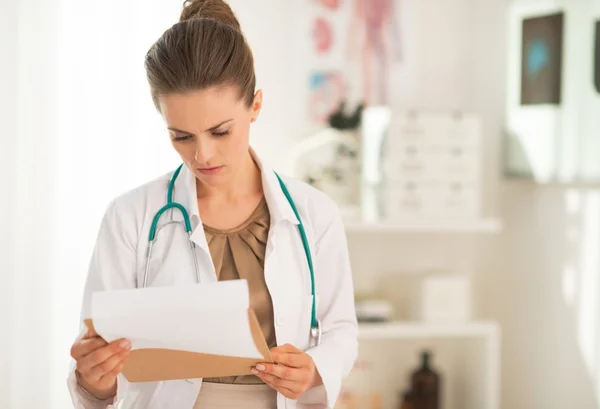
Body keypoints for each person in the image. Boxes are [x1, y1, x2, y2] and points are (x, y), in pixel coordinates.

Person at [66, 0, 359, 408]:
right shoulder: (130, 217)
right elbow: (98, 370)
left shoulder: (315, 214)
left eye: (220, 131)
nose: (203, 155)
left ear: (255, 105)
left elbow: (341, 329)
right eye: (182, 136)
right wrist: (93, 377)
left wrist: (314, 369)